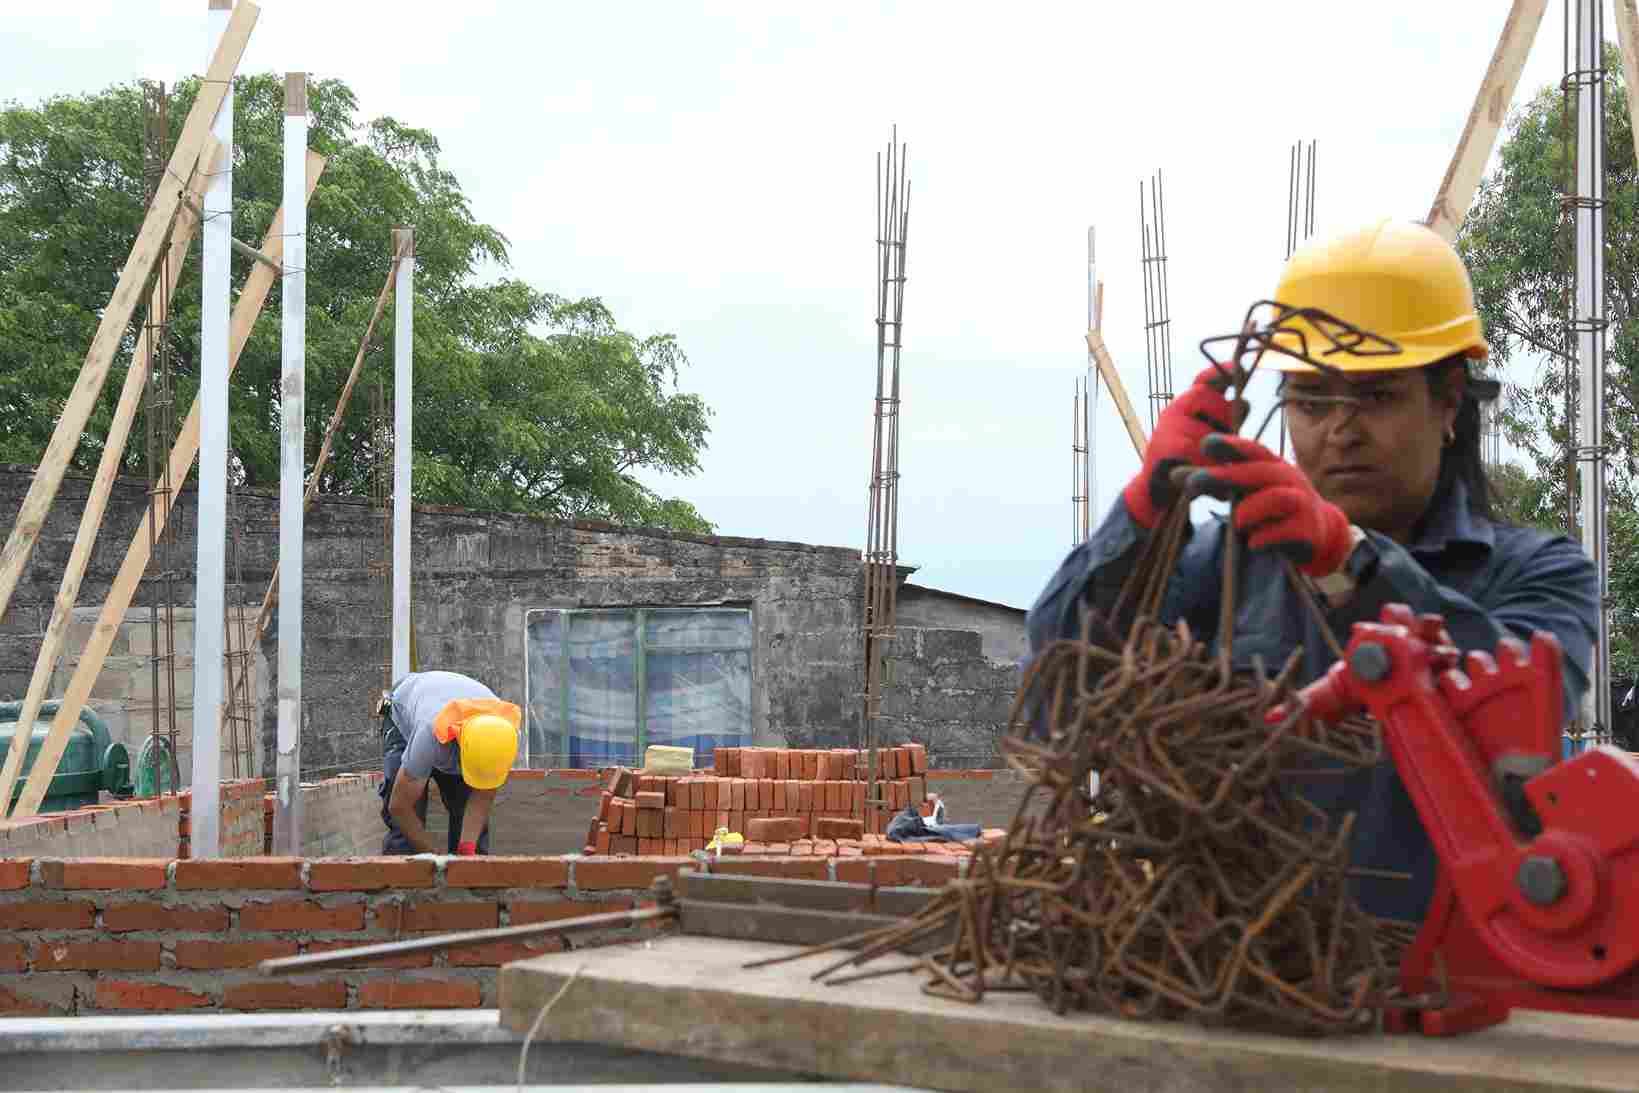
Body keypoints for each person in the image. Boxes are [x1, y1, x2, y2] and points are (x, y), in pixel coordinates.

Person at [1025, 219, 1599, 924]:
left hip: (1450, 969)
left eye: (1376, 396)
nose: (1340, 431)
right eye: (1310, 400)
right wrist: (1145, 510)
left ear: (1448, 399)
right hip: (1238, 966)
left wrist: (1348, 565)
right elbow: (1059, 691)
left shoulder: (1541, 574)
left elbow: (1514, 724)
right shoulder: (1222, 565)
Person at [378, 670, 521, 855]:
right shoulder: (429, 735)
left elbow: (483, 795)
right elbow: (399, 806)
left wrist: (466, 852)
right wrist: (433, 857)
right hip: (406, 710)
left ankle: (469, 868)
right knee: (406, 828)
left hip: (449, 712)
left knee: (466, 812)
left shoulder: (504, 739)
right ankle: (403, 870)